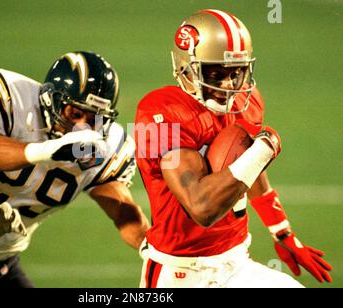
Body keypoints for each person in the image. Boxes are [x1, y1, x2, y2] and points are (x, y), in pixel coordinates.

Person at [0, 51, 150, 288]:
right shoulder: (12, 99)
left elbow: (123, 211)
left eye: (94, 118)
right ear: (52, 99)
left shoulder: (107, 144)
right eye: (75, 113)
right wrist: (48, 150)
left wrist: (154, 251)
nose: (83, 127)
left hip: (0, 263)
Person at [134, 9, 332, 288]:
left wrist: (282, 231)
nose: (228, 85)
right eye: (216, 74)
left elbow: (245, 170)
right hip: (179, 273)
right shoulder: (163, 112)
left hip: (237, 263)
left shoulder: (246, 104)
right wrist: (262, 150)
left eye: (236, 73)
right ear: (186, 68)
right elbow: (202, 208)